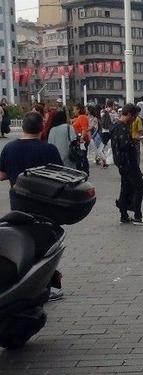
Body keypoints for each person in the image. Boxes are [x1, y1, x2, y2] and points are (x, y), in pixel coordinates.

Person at [0, 112, 65, 301]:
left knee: (23, 243)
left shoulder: (9, 148)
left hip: (18, 204)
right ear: (41, 128)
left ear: (23, 127)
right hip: (44, 203)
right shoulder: (48, 149)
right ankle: (44, 286)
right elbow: (60, 174)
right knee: (45, 245)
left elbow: (2, 175)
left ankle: (22, 285)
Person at [111, 104, 143, 226]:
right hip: (129, 163)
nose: (134, 119)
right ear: (129, 114)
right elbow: (125, 145)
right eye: (134, 117)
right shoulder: (123, 127)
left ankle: (124, 215)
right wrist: (134, 141)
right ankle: (137, 216)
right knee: (139, 188)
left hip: (121, 164)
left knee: (125, 188)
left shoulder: (114, 126)